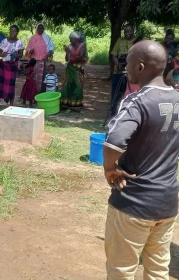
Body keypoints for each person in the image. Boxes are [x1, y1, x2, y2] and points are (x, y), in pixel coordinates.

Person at [103, 40, 179, 279]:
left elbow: (114, 141)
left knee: (121, 269)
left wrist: (109, 169)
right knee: (158, 269)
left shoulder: (137, 100)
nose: (125, 68)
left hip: (134, 202)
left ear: (140, 67)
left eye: (128, 63)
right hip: (167, 202)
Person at [0, 25, 25, 108]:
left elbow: (21, 54)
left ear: (17, 32)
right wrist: (2, 54)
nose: (12, 33)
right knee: (0, 83)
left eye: (14, 31)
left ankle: (11, 103)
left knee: (11, 84)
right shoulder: (4, 41)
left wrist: (15, 55)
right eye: (11, 31)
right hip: (3, 65)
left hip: (12, 65)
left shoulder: (19, 43)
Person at [110, 24, 136, 116]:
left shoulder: (137, 42)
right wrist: (118, 63)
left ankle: (128, 112)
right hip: (118, 71)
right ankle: (113, 112)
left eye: (129, 31)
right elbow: (113, 54)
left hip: (132, 73)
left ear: (133, 31)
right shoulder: (120, 41)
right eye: (125, 32)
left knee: (129, 92)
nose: (126, 33)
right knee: (116, 92)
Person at [60, 31, 87, 110]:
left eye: (71, 38)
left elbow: (80, 57)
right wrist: (67, 53)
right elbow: (66, 59)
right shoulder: (69, 46)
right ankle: (66, 103)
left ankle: (76, 105)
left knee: (78, 85)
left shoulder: (83, 45)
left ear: (76, 38)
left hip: (77, 68)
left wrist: (70, 51)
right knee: (66, 85)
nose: (70, 40)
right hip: (70, 68)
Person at [25, 23, 55, 92]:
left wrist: (50, 52)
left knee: (43, 78)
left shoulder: (47, 38)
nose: (40, 29)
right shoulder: (33, 38)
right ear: (36, 29)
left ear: (44, 29)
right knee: (34, 78)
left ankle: (40, 94)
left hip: (43, 61)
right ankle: (32, 94)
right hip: (34, 62)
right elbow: (27, 50)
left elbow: (51, 47)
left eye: (42, 28)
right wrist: (30, 51)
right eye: (39, 28)